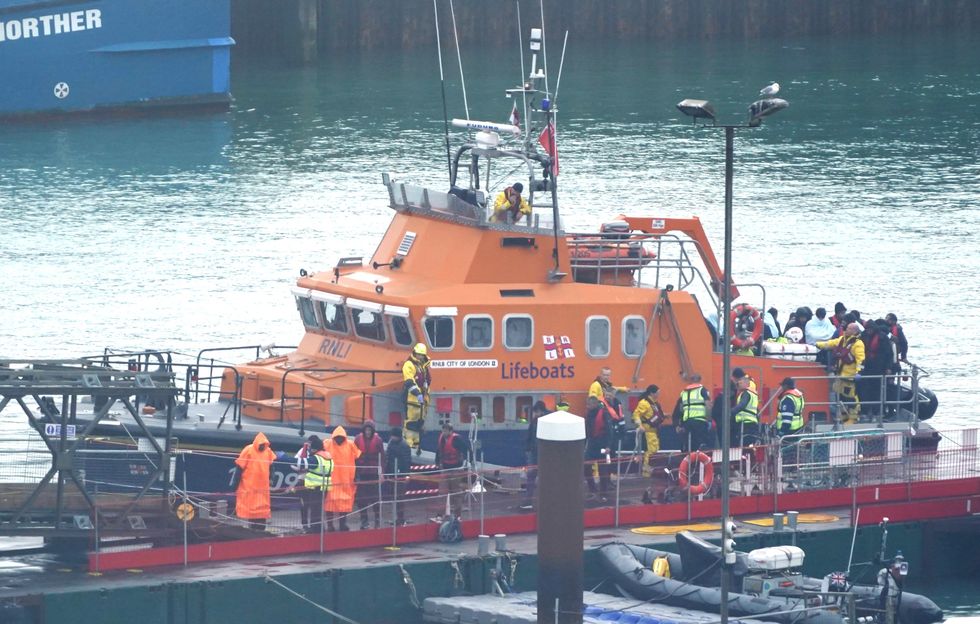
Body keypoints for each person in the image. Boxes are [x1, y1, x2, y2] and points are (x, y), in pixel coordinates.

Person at [817, 322, 866, 424]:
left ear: (854, 331)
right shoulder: (842, 340)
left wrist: (859, 372)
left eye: (848, 328)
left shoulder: (858, 344)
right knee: (840, 397)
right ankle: (844, 418)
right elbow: (830, 343)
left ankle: (853, 418)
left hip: (850, 377)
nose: (845, 330)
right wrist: (818, 344)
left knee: (851, 399)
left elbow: (861, 359)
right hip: (841, 376)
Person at [234, 432, 277, 531]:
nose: (262, 447)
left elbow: (272, 467)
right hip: (250, 487)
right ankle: (253, 529)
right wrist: (235, 485)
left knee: (262, 510)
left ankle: (260, 529)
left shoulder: (268, 451)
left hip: (262, 488)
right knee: (252, 511)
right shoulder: (248, 450)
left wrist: (271, 479)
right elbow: (239, 468)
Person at [293, 435, 333, 533]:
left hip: (313, 485)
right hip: (304, 481)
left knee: (315, 507)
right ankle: (306, 525)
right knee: (304, 505)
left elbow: (305, 464)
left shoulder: (318, 456)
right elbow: (295, 465)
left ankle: (315, 528)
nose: (309, 445)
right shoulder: (302, 451)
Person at [323, 426, 361, 531]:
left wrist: (357, 475)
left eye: (341, 437)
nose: (338, 439)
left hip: (346, 481)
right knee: (329, 504)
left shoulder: (351, 445)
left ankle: (342, 524)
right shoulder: (327, 443)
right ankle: (330, 525)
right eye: (337, 437)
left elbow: (358, 459)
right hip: (331, 480)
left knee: (344, 504)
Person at [354, 420, 385, 529]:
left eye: (369, 430)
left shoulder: (378, 441)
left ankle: (377, 519)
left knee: (375, 498)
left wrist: (382, 473)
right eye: (366, 430)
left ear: (372, 431)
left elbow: (382, 457)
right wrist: (355, 473)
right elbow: (354, 456)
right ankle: (364, 520)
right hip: (362, 474)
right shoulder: (358, 439)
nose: (368, 432)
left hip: (373, 474)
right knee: (361, 499)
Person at [584, 396, 616, 502]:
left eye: (588, 404)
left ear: (594, 404)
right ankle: (592, 489)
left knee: (603, 470)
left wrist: (608, 446)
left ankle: (604, 493)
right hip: (592, 444)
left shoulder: (604, 414)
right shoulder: (589, 415)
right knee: (586, 466)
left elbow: (609, 431)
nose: (587, 406)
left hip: (602, 444)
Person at [436, 422, 470, 518]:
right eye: (443, 430)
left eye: (445, 430)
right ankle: (440, 514)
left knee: (456, 493)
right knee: (442, 493)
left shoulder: (457, 439)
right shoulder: (441, 439)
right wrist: (437, 463)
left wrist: (468, 462)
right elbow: (438, 451)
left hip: (456, 469)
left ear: (451, 431)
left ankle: (457, 514)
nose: (443, 432)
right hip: (445, 469)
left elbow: (467, 449)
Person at [402, 343, 431, 455]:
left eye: (422, 355)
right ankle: (408, 447)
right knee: (410, 424)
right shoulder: (409, 365)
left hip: (421, 401)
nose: (420, 357)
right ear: (415, 353)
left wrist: (425, 394)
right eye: (418, 354)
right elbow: (409, 381)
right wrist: (418, 393)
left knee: (419, 423)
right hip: (411, 399)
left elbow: (427, 380)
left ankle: (416, 446)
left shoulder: (423, 365)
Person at [673, 373, 713, 451]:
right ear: (700, 380)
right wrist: (709, 420)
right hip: (699, 422)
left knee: (688, 444)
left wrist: (678, 425)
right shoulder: (702, 390)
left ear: (690, 381)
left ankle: (689, 461)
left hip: (686, 422)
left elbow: (679, 410)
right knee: (701, 444)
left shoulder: (683, 392)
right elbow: (708, 406)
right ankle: (699, 461)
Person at [633, 385, 665, 477]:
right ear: (652, 393)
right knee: (649, 451)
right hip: (647, 431)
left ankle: (649, 469)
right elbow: (636, 415)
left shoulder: (654, 403)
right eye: (657, 392)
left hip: (654, 431)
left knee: (654, 450)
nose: (659, 394)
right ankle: (646, 471)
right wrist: (639, 425)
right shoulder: (644, 403)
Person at [522, 400, 548, 510]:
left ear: (541, 411)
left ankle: (543, 501)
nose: (535, 414)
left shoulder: (545, 421)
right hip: (534, 454)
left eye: (536, 412)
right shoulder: (534, 421)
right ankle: (528, 501)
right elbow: (529, 437)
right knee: (531, 477)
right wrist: (528, 450)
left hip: (543, 455)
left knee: (539, 478)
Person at [384, 427, 412, 526]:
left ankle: (400, 519)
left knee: (399, 498)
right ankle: (396, 518)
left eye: (393, 435)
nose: (392, 437)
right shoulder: (391, 443)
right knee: (393, 497)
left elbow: (406, 462)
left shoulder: (404, 446)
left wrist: (406, 475)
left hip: (400, 476)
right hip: (392, 474)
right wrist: (386, 473)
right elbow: (387, 458)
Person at [733, 374, 761, 446]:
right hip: (751, 424)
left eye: (740, 382)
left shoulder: (746, 393)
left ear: (747, 383)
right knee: (750, 446)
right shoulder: (753, 394)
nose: (738, 384)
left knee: (744, 445)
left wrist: (730, 412)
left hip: (746, 425)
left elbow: (742, 405)